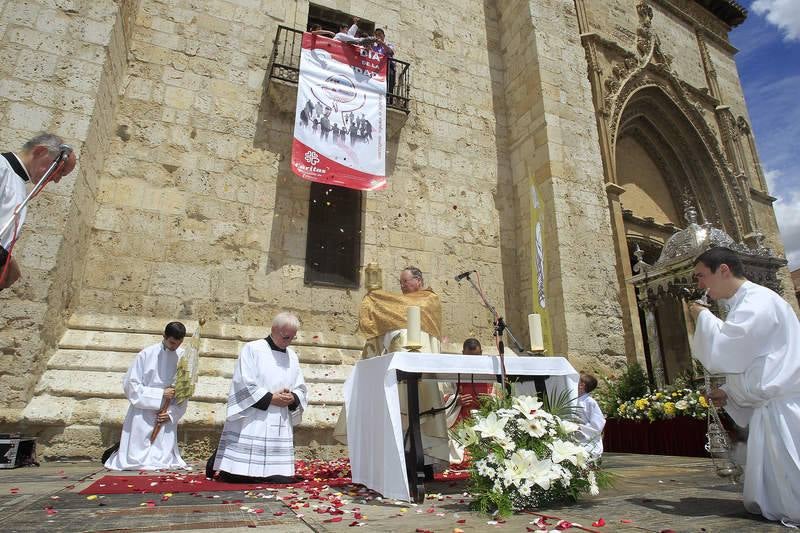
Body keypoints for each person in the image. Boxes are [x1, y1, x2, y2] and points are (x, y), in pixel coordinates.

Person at [689, 246, 800, 526]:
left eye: (701, 276)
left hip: (784, 409)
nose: (699, 284)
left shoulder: (757, 300)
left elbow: (728, 348)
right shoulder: (744, 302)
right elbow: (755, 361)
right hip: (773, 407)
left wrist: (701, 316)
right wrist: (728, 392)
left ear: (723, 269)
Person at [334, 266, 450, 475]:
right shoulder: (400, 304)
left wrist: (379, 299)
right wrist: (374, 299)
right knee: (400, 414)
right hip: (397, 370)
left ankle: (423, 463)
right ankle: (399, 463)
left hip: (421, 365)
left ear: (418, 280)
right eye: (400, 283)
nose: (402, 286)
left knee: (422, 410)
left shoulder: (429, 299)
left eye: (405, 282)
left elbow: (403, 308)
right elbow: (393, 315)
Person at [208, 312, 308, 483]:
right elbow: (243, 382)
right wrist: (270, 398)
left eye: (292, 338)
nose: (288, 342)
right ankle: (226, 465)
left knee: (279, 479)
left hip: (279, 418)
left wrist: (293, 397)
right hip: (255, 414)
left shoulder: (292, 355)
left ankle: (273, 471)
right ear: (274, 330)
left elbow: (301, 386)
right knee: (239, 476)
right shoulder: (253, 349)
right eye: (285, 337)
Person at [104, 322, 189, 471]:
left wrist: (171, 413)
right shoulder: (146, 354)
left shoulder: (183, 357)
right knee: (138, 453)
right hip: (143, 410)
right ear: (164, 336)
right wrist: (160, 393)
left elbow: (185, 390)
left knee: (162, 456)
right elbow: (131, 386)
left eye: (179, 343)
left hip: (166, 410)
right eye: (171, 343)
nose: (174, 347)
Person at [1, 132, 77, 289]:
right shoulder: (2, 168)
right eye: (60, 170)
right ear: (40, 151)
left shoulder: (19, 184)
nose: (56, 179)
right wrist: (4, 260)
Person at [446, 338, 495, 463]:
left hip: (484, 417)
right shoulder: (453, 371)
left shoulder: (490, 370)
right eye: (469, 357)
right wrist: (456, 400)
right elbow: (443, 395)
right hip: (460, 417)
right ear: (463, 353)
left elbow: (498, 395)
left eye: (476, 356)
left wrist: (490, 400)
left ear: (481, 353)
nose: (473, 360)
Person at [575, 372, 605, 461]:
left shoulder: (590, 402)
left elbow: (597, 426)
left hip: (587, 442)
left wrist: (578, 427)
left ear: (581, 385)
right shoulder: (574, 399)